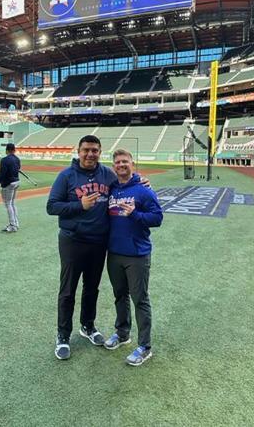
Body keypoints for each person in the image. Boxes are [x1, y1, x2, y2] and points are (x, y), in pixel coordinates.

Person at [47, 135, 118, 360]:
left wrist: (141, 182)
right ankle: (63, 334)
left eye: (95, 150)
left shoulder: (107, 174)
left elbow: (125, 185)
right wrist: (80, 205)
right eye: (86, 150)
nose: (90, 154)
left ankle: (87, 326)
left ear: (100, 152)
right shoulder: (66, 176)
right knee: (68, 290)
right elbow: (52, 206)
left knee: (92, 288)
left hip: (98, 241)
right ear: (78, 151)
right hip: (72, 241)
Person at [104, 149, 163, 366]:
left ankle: (145, 346)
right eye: (117, 162)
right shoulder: (111, 189)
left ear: (132, 164)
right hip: (114, 253)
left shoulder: (143, 190)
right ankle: (122, 333)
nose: (121, 165)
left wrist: (135, 214)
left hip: (137, 254)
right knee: (120, 296)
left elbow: (157, 218)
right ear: (113, 166)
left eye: (125, 162)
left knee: (140, 299)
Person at [0, 143, 21, 233]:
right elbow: (18, 169)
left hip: (8, 184)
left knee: (8, 204)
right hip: (16, 182)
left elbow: (2, 173)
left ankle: (13, 225)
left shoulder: (4, 160)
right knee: (12, 203)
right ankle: (15, 223)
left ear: (7, 150)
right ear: (14, 150)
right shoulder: (17, 159)